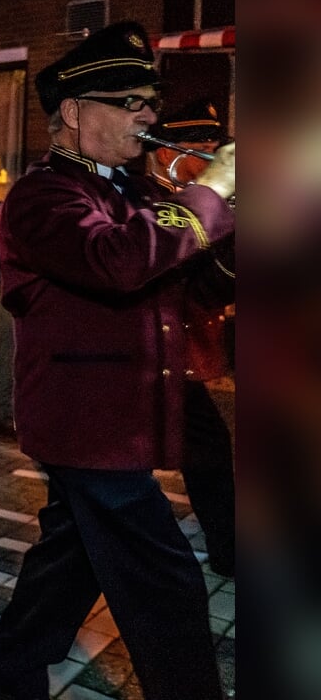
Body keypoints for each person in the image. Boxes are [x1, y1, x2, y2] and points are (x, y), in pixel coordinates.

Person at [0, 22, 236, 700]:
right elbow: (119, 261)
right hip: (85, 426)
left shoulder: (136, 190)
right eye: (129, 100)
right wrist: (210, 192)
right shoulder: (40, 197)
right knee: (168, 586)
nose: (149, 114)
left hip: (122, 420)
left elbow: (194, 283)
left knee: (64, 569)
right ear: (72, 113)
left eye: (149, 101)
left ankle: (11, 680)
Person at [155, 100, 236, 577]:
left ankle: (229, 550)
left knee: (208, 455)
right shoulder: (159, 202)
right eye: (201, 150)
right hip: (159, 354)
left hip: (181, 356)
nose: (213, 159)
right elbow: (200, 285)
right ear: (169, 153)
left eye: (214, 148)